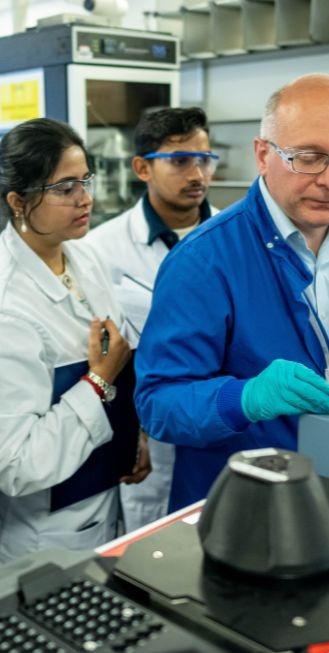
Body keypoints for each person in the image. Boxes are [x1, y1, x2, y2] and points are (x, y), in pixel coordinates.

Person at [135, 74, 329, 511]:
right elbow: (158, 405)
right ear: (263, 155)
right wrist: (245, 398)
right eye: (310, 157)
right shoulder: (204, 261)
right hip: (243, 507)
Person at [0, 118, 150, 565]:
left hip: (106, 501)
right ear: (19, 201)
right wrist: (98, 382)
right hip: (47, 537)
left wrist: (130, 434)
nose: (86, 198)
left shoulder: (83, 256)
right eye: (65, 188)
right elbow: (16, 466)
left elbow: (117, 359)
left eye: (85, 180)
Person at [82, 106, 220, 530]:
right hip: (145, 436)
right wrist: (127, 431)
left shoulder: (230, 240)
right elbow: (102, 353)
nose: (197, 174)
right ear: (142, 167)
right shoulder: (101, 249)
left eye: (205, 160)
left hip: (218, 424)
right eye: (179, 161)